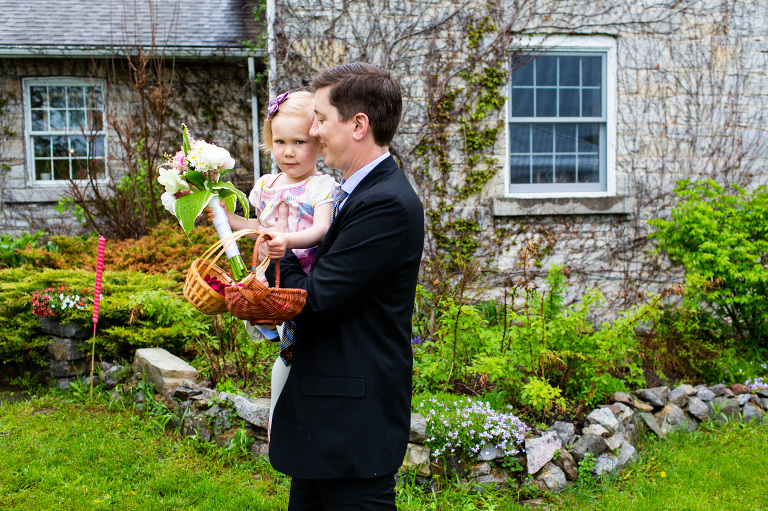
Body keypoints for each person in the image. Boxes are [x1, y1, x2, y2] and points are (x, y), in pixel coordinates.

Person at [265, 63, 424, 510]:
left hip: (353, 427)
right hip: (326, 417)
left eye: (319, 118)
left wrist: (279, 252)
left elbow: (316, 301)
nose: (312, 131)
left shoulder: (386, 204)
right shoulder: (355, 191)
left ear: (358, 125)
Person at [206, 89, 337, 435]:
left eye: (299, 142)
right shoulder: (266, 185)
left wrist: (286, 242)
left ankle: (291, 420)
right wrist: (223, 215)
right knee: (288, 351)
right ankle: (280, 420)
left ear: (321, 145)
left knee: (294, 351)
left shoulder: (321, 185)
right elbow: (255, 227)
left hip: (303, 283)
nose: (288, 152)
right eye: (279, 142)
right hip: (272, 282)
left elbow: (322, 230)